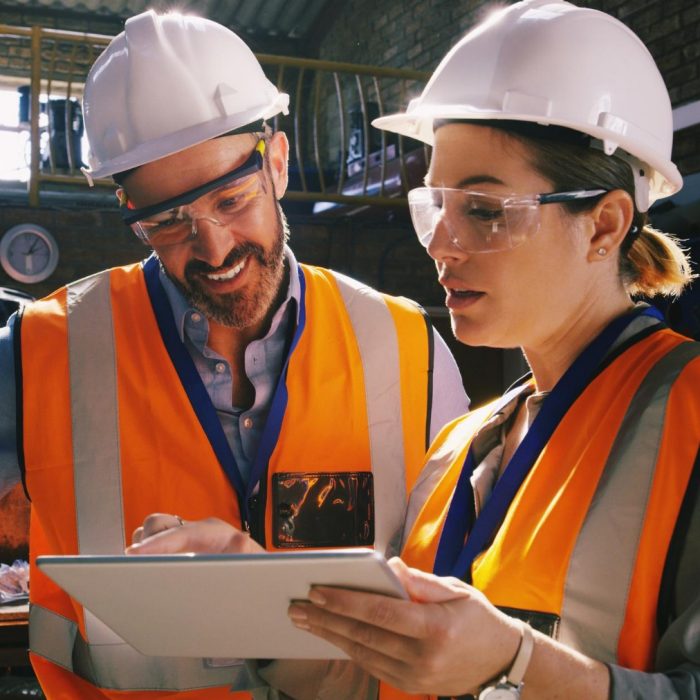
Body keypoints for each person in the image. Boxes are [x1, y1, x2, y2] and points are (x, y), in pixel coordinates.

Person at [137, 2, 699, 699]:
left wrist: (518, 666)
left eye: (485, 211)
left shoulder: (690, 415)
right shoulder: (461, 448)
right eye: (436, 206)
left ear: (604, 225)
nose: (439, 243)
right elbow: (383, 680)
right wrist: (255, 597)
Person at [0, 9, 469, 699]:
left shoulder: (410, 350)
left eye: (232, 197)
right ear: (130, 210)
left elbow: (458, 606)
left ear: (276, 163)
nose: (214, 248)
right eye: (167, 222)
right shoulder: (38, 351)